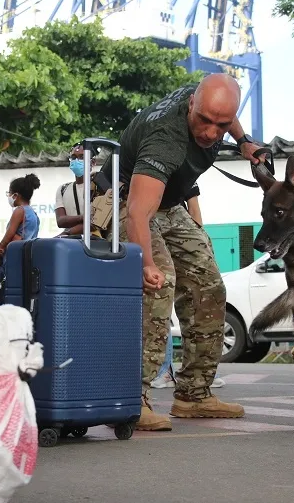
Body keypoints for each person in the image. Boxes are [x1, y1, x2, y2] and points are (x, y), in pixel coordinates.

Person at [98, 73, 263, 431]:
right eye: (204, 121)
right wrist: (146, 264)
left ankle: (193, 395)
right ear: (192, 105)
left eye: (219, 125)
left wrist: (244, 142)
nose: (209, 132)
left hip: (170, 205)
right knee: (160, 283)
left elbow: (224, 114)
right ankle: (131, 400)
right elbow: (139, 213)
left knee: (209, 286)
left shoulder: (208, 100)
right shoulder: (165, 141)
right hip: (129, 202)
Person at [151, 183, 226, 390]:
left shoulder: (182, 166)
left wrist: (200, 245)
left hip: (182, 237)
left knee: (200, 303)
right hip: (153, 233)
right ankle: (163, 371)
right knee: (159, 309)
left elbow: (193, 207)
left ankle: (202, 376)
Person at [0, 174, 41, 264]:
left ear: (15, 195)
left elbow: (9, 236)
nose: (9, 196)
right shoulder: (34, 214)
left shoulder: (19, 210)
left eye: (9, 193)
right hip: (27, 258)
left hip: (14, 257)